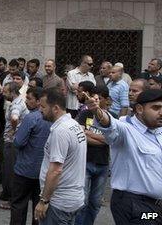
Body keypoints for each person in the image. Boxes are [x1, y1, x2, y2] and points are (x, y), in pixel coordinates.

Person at [90, 88, 162, 225]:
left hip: (155, 206)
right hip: (137, 206)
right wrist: (96, 110)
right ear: (140, 109)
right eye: (156, 108)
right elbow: (109, 123)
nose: (161, 113)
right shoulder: (126, 129)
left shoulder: (158, 131)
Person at [34, 88, 87, 225]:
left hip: (58, 203)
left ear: (56, 108)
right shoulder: (74, 124)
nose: (40, 110)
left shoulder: (61, 131)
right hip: (72, 199)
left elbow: (56, 170)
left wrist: (43, 200)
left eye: (43, 107)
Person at [10, 87, 51, 225]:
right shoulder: (53, 120)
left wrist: (16, 133)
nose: (26, 101)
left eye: (29, 98)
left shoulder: (31, 117)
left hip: (25, 169)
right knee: (38, 208)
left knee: (18, 205)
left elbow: (18, 142)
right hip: (43, 171)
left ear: (39, 101)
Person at [74, 86, 111, 225]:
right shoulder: (85, 114)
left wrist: (88, 133)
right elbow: (80, 135)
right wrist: (102, 138)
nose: (95, 101)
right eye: (94, 98)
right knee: (82, 201)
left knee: (95, 202)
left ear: (106, 100)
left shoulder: (111, 117)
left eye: (99, 99)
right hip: (85, 162)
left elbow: (110, 139)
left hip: (102, 164)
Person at [0, 81, 28, 210]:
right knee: (6, 167)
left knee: (10, 170)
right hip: (11, 139)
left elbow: (14, 118)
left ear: (13, 92)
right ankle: (6, 193)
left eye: (5, 92)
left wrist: (13, 130)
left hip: (12, 141)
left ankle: (11, 199)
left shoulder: (16, 105)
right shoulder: (18, 101)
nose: (3, 94)